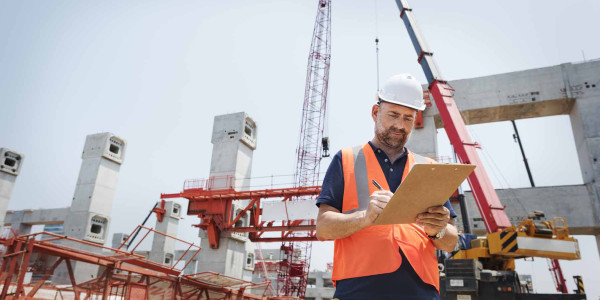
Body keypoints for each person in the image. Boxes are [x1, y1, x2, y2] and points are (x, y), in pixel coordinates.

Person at [316, 74, 459, 299]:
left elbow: (451, 242)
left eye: (408, 118)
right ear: (375, 113)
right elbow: (323, 228)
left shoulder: (428, 168)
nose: (400, 126)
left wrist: (437, 230)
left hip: (421, 291)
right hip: (358, 289)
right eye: (393, 115)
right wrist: (364, 218)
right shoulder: (346, 159)